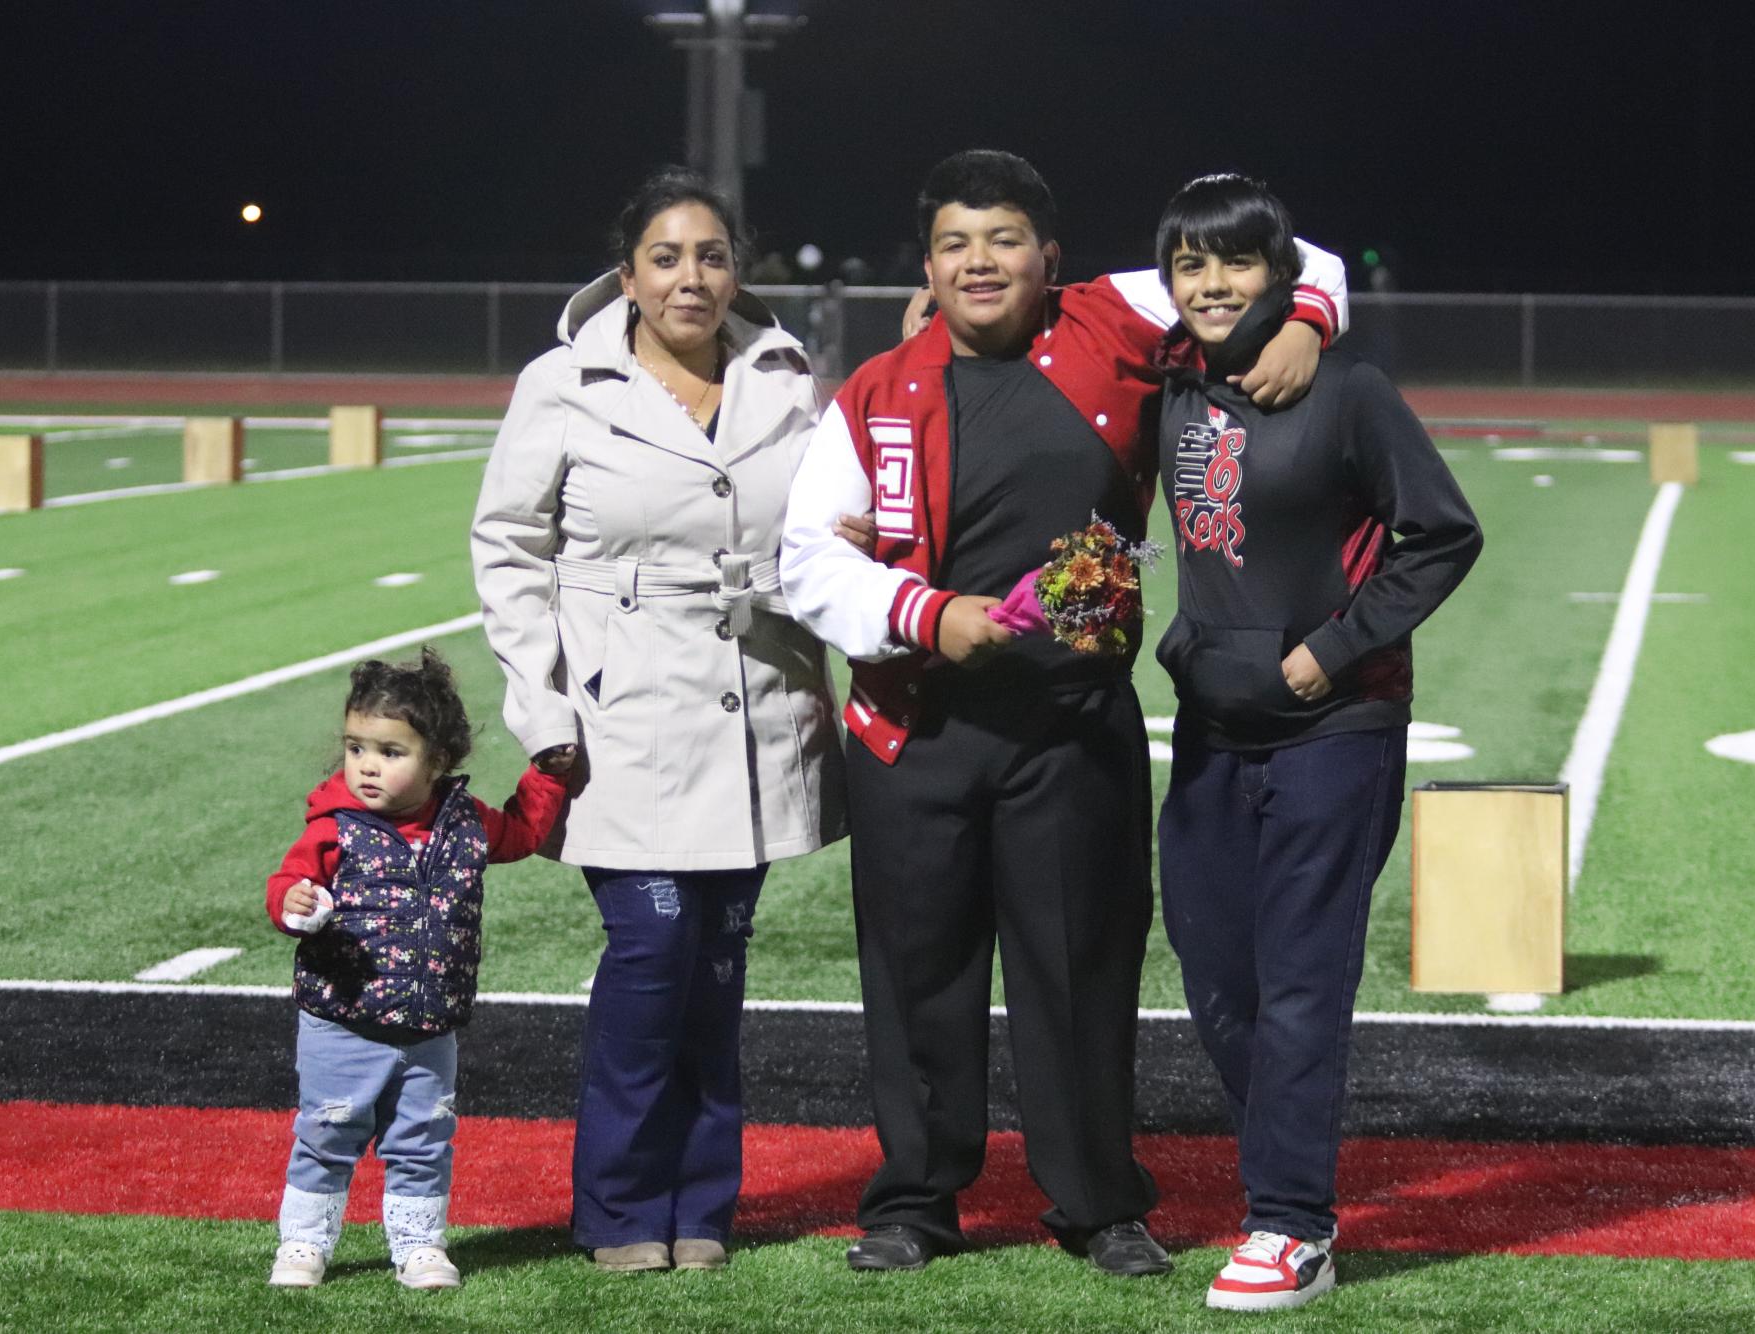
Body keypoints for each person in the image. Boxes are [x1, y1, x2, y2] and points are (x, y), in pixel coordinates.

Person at [779, 149, 1348, 1277]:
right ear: (929, 263)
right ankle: (914, 1198)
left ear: (1049, 255)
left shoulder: (1113, 317)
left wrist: (1308, 323)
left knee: (1082, 969)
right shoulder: (878, 385)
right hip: (915, 725)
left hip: (1070, 725)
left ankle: (1096, 1200)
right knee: (915, 971)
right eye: (953, 243)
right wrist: (928, 614)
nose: (977, 261)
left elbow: (1299, 256)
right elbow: (804, 555)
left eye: (1001, 240)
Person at [471, 168, 848, 1273]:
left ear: (740, 268)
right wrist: (541, 709)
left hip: (757, 711)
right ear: (626, 273)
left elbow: (829, 530)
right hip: (620, 715)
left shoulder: (788, 377)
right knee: (652, 950)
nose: (694, 276)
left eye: (714, 255)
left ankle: (703, 1202)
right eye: (669, 256)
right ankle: (622, 1203)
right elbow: (508, 548)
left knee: (718, 966)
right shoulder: (563, 382)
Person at [1148, 172, 1482, 1311]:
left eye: (1235, 262)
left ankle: (1291, 1221)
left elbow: (1441, 533)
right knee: (1216, 981)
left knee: (1298, 984)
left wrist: (1334, 649)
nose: (1211, 283)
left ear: (1284, 276)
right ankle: (1289, 1168)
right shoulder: (1173, 387)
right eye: (1191, 263)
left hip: (1334, 729)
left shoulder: (1348, 390)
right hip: (1211, 730)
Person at [263, 649, 569, 1290]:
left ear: (438, 761)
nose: (367, 765)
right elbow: (289, 885)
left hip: (431, 1028)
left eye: (390, 752)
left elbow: (522, 833)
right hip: (341, 1023)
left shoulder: (465, 822)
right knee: (327, 1134)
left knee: (424, 1141)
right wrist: (294, 905)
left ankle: (419, 1245)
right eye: (356, 747)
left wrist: (549, 774)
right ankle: (304, 1244)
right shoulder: (333, 827)